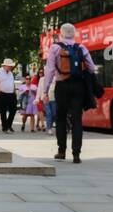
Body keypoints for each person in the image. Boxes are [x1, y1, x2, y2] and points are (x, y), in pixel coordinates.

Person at [40, 23, 98, 163]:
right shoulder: (81, 48)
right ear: (74, 34)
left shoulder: (55, 48)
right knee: (77, 119)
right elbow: (91, 67)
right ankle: (76, 154)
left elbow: (49, 71)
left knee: (60, 118)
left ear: (61, 33)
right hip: (78, 87)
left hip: (62, 86)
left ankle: (61, 151)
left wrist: (45, 91)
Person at [0, 58, 18, 133]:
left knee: (13, 109)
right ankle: (5, 127)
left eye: (11, 66)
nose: (10, 67)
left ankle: (8, 125)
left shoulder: (10, 73)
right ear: (5, 65)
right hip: (3, 93)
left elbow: (12, 83)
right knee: (3, 111)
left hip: (11, 93)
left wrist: (14, 91)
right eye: (9, 66)